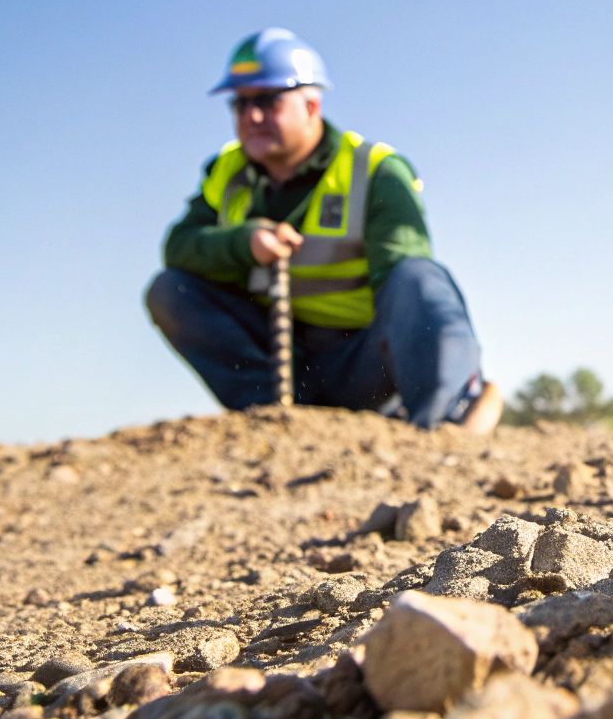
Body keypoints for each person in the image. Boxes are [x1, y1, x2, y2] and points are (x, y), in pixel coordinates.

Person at [145, 28, 501, 432]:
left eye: (267, 101)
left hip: (361, 364)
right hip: (283, 367)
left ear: (311, 106)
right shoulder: (225, 172)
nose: (251, 117)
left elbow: (407, 289)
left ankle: (447, 416)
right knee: (170, 290)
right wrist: (243, 242)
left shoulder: (375, 170)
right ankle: (273, 421)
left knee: (418, 277)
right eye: (240, 105)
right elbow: (179, 247)